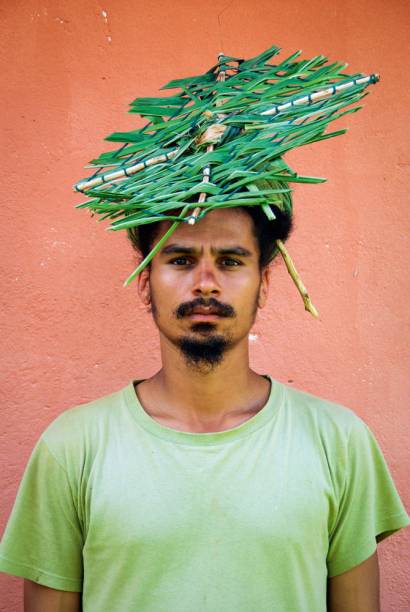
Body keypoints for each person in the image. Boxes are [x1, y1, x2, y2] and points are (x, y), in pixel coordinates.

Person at [0, 203, 409, 612]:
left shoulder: (337, 440)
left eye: (230, 261)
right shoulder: (71, 447)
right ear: (145, 283)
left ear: (264, 284)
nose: (206, 284)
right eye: (181, 260)